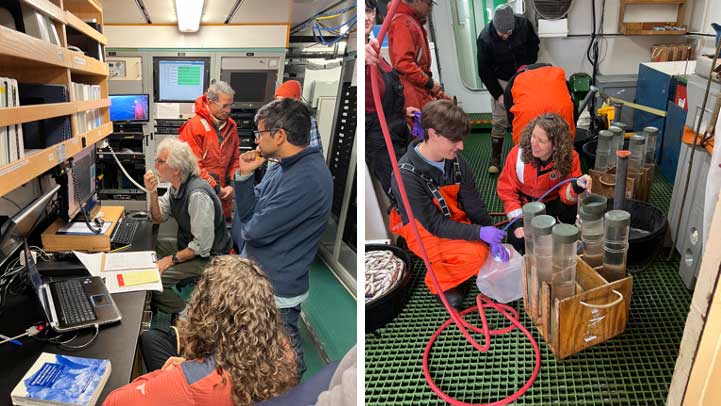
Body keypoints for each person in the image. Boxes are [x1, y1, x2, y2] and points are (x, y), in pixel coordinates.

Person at [103, 256, 298, 406]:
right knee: (152, 339)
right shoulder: (281, 346)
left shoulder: (192, 382)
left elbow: (114, 401)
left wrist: (170, 375)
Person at [231, 98, 332, 377]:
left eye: (260, 134)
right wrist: (243, 176)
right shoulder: (280, 166)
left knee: (286, 355)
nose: (256, 140)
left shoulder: (306, 178)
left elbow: (251, 229)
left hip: (278, 287)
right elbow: (251, 211)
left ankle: (295, 391)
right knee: (261, 345)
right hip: (262, 277)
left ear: (279, 135)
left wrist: (249, 217)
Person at [389, 100, 507, 308]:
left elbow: (474, 204)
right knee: (477, 255)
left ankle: (457, 261)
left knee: (483, 248)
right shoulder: (405, 176)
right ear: (433, 134)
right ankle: (438, 280)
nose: (461, 146)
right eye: (455, 140)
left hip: (450, 217)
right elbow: (434, 225)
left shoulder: (457, 162)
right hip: (423, 229)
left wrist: (489, 235)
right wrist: (478, 234)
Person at [143, 138, 232, 315]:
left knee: (153, 284)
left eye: (160, 161)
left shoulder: (197, 195)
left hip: (210, 257)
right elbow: (158, 217)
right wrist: (152, 192)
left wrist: (170, 260)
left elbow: (202, 247)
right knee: (152, 247)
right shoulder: (176, 187)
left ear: (176, 170)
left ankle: (187, 317)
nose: (155, 165)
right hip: (191, 246)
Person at [497, 113, 592, 253]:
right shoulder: (517, 155)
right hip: (525, 210)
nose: (533, 143)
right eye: (533, 136)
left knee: (566, 219)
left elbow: (567, 197)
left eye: (541, 141)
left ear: (555, 146)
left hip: (552, 207)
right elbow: (506, 191)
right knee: (519, 241)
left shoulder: (570, 158)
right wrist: (518, 223)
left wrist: (576, 187)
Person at [477, 4, 540, 174]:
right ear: (495, 27)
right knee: (499, 119)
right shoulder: (485, 38)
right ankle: (496, 158)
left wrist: (528, 65)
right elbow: (484, 70)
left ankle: (526, 154)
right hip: (501, 79)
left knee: (527, 115)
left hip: (523, 75)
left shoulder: (524, 25)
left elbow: (534, 44)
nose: (506, 36)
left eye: (509, 32)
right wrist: (498, 94)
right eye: (502, 33)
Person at [365, 0, 418, 193]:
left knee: (411, 181)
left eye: (369, 11)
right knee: (399, 191)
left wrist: (404, 112)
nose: (366, 17)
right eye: (361, 11)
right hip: (380, 141)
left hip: (397, 129)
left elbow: (381, 96)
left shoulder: (376, 53)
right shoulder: (364, 57)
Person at [178, 80, 240, 220]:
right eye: (224, 106)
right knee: (198, 235)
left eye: (230, 105)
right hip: (200, 194)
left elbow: (235, 159)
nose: (228, 110)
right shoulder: (193, 127)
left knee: (220, 235)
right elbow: (193, 166)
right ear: (211, 102)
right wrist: (216, 188)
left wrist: (231, 184)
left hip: (224, 196)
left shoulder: (231, 126)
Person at [388, 0, 450, 117]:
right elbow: (404, 64)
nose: (430, 8)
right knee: (421, 130)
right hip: (413, 92)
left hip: (418, 88)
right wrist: (430, 84)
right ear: (417, 1)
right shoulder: (403, 22)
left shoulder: (411, 21)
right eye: (429, 4)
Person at [504, 63, 577, 145]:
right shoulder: (558, 77)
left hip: (527, 125)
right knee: (562, 150)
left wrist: (512, 128)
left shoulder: (515, 80)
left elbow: (509, 111)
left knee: (525, 151)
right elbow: (573, 107)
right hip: (561, 123)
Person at [274, 80, 324, 156]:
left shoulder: (308, 122)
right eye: (277, 101)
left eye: (283, 102)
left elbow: (316, 152)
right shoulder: (276, 119)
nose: (279, 106)